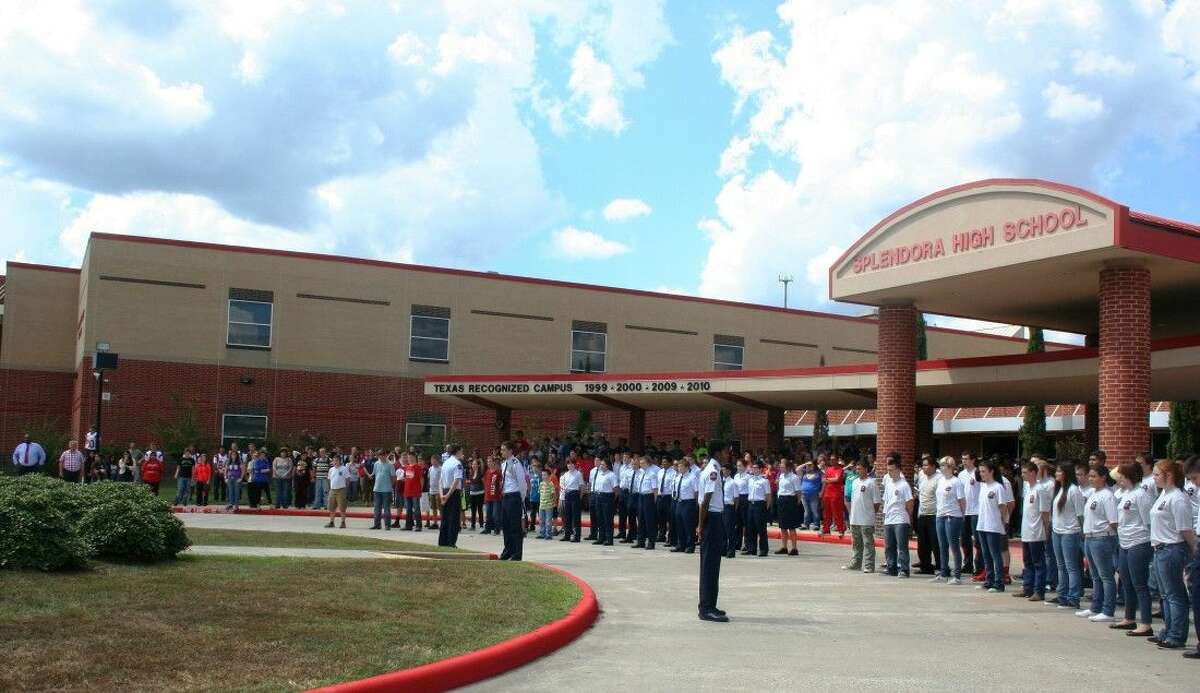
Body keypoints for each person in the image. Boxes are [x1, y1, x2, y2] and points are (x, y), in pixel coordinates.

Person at [1149, 459, 1197, 650]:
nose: (1154, 478)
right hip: (1160, 548)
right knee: (1166, 594)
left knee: (1174, 594)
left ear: (1169, 476)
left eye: (1157, 474)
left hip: (1172, 548)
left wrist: (1193, 549)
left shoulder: (1177, 497)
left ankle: (1176, 635)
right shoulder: (1164, 494)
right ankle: (1168, 631)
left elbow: (1185, 529)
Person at [1110, 462, 1154, 636]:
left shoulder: (1141, 495)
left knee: (1140, 584)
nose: (1118, 481)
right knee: (1126, 581)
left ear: (1129, 477)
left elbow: (1147, 521)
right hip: (1125, 542)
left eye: (1121, 478)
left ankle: (1146, 622)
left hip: (1139, 542)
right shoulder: (1125, 493)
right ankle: (1129, 618)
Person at [1078, 461, 1119, 620]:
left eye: (1094, 476)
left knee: (1106, 576)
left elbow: (1113, 521)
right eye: (1089, 476)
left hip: (1102, 538)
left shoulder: (1108, 496)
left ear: (1103, 477)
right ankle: (1096, 606)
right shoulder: (1093, 494)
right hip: (1090, 537)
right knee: (1095, 576)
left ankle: (1108, 610)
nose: (1090, 479)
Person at [697, 441, 729, 623]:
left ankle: (710, 604)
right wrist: (701, 526)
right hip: (712, 518)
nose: (728, 455)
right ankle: (706, 608)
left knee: (713, 563)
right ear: (718, 452)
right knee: (709, 564)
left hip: (713, 517)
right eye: (725, 451)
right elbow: (706, 501)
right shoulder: (713, 471)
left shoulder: (712, 468)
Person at [1014, 460, 1052, 601]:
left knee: (1038, 563)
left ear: (1033, 473)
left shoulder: (1040, 489)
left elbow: (1044, 512)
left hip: (1036, 531)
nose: (1022, 475)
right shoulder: (1028, 488)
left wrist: (1046, 529)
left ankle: (1039, 591)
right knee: (1028, 562)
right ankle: (1027, 587)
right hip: (1026, 531)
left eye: (1025, 472)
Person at [1050, 463, 1086, 610]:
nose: (1056, 474)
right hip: (1057, 531)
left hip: (1070, 533)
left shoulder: (1073, 491)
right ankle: (1062, 595)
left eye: (1059, 471)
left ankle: (1073, 597)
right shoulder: (1059, 489)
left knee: (1071, 567)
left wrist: (1082, 532)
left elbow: (1080, 514)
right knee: (1061, 566)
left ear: (1066, 473)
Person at [975, 459, 1010, 593]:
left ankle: (999, 582)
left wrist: (1003, 522)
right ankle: (989, 580)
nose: (981, 474)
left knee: (995, 554)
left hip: (993, 525)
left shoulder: (998, 487)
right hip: (982, 524)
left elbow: (1003, 506)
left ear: (991, 472)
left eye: (984, 471)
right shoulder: (983, 486)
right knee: (986, 554)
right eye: (980, 471)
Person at [933, 455, 966, 584]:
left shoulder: (956, 481)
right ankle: (943, 572)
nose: (940, 468)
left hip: (952, 516)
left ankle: (957, 575)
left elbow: (962, 500)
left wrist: (962, 515)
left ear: (950, 467)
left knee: (954, 546)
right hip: (940, 515)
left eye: (942, 465)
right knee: (942, 545)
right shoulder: (941, 480)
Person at [882, 453, 914, 577]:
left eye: (892, 470)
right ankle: (891, 568)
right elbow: (886, 501)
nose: (890, 472)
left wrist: (907, 515)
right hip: (889, 519)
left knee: (902, 546)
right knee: (889, 546)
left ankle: (904, 569)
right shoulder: (889, 483)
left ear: (898, 470)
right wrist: (885, 515)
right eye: (888, 470)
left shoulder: (904, 485)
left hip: (900, 519)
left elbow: (910, 502)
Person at [498, 442, 527, 561]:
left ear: (510, 451)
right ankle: (508, 550)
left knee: (515, 527)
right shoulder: (504, 464)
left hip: (514, 496)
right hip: (506, 496)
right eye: (501, 449)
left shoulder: (516, 463)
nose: (502, 452)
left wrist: (521, 498)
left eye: (504, 449)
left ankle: (517, 553)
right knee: (506, 526)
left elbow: (522, 483)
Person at [915, 455, 940, 575]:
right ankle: (925, 566)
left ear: (933, 466)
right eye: (923, 465)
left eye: (926, 465)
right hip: (923, 513)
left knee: (935, 542)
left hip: (934, 515)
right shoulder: (922, 476)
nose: (923, 468)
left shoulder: (939, 478)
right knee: (923, 543)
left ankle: (940, 566)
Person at [958, 451, 981, 577]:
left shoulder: (978, 473)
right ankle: (967, 564)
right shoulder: (961, 475)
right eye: (962, 459)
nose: (964, 461)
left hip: (976, 511)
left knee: (978, 541)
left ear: (973, 460)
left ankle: (979, 566)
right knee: (964, 540)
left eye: (966, 459)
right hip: (964, 511)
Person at [438, 446, 464, 547]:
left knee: (445, 518)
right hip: (453, 492)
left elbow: (440, 481)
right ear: (457, 451)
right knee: (453, 519)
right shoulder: (457, 464)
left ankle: (442, 542)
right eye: (461, 451)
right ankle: (451, 542)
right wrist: (448, 495)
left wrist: (442, 495)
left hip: (444, 490)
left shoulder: (445, 463)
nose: (462, 453)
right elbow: (456, 480)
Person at [744, 461, 771, 557]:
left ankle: (763, 550)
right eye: (753, 468)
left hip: (760, 505)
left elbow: (768, 496)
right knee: (750, 527)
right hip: (751, 504)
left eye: (756, 468)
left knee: (761, 528)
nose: (754, 470)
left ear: (760, 469)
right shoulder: (750, 480)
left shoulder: (764, 481)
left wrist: (766, 508)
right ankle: (752, 549)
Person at [774, 459, 801, 555]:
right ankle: (784, 547)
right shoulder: (781, 476)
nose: (780, 467)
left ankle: (794, 548)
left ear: (788, 467)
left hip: (790, 500)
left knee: (791, 526)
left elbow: (798, 492)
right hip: (781, 500)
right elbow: (779, 488)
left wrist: (796, 503)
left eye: (782, 466)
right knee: (782, 526)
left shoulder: (794, 477)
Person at [673, 458, 699, 554]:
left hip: (689, 502)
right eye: (678, 466)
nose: (679, 468)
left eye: (681, 466)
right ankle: (681, 544)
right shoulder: (678, 476)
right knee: (679, 524)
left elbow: (696, 492)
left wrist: (695, 505)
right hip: (679, 502)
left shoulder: (692, 477)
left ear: (687, 467)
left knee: (688, 525)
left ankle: (690, 546)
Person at [634, 455, 660, 550]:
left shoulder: (652, 473)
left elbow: (655, 489)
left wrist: (654, 501)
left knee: (649, 521)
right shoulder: (640, 472)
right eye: (640, 463)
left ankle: (651, 542)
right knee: (640, 519)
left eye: (643, 463)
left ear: (648, 463)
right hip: (641, 496)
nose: (641, 465)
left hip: (649, 497)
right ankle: (640, 541)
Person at [367, 453, 396, 530]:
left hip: (387, 490)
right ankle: (377, 524)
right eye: (380, 455)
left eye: (383, 455)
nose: (381, 457)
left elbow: (393, 477)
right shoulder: (376, 463)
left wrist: (390, 486)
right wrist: (370, 475)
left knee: (386, 508)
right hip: (377, 489)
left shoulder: (390, 465)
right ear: (378, 456)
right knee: (377, 508)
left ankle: (387, 525)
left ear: (386, 455)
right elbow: (374, 473)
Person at [592, 458, 617, 546]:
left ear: (607, 465)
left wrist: (612, 499)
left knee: (608, 519)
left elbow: (615, 489)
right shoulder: (599, 474)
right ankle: (601, 538)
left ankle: (609, 539)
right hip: (599, 496)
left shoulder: (611, 475)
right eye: (601, 464)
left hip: (607, 497)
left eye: (603, 464)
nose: (601, 466)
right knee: (600, 518)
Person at [820, 456, 846, 536]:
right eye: (831, 460)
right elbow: (823, 480)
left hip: (836, 494)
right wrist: (822, 492)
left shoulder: (840, 469)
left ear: (837, 460)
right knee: (826, 513)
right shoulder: (828, 469)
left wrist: (828, 479)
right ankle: (826, 529)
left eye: (834, 459)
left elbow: (837, 479)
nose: (832, 461)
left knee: (837, 512)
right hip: (827, 494)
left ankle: (841, 529)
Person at [560, 457, 584, 543]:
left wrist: (580, 497)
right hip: (567, 494)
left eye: (571, 463)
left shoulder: (578, 474)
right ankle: (567, 535)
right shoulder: (565, 474)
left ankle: (576, 536)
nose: (570, 465)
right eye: (568, 464)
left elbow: (581, 486)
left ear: (575, 464)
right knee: (567, 516)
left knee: (576, 517)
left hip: (575, 494)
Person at [401, 453, 423, 531]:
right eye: (408, 457)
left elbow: (421, 479)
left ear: (414, 457)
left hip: (415, 491)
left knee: (416, 509)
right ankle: (408, 525)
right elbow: (407, 478)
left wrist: (421, 490)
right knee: (408, 509)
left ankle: (418, 525)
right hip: (407, 491)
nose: (409, 458)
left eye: (410, 457)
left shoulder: (418, 467)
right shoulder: (406, 467)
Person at [722, 465, 739, 558]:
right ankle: (723, 549)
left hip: (729, 506)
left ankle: (731, 550)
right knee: (723, 530)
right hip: (722, 506)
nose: (723, 472)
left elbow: (736, 498)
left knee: (730, 530)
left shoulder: (733, 483)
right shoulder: (721, 482)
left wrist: (734, 510)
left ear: (729, 471)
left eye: (724, 470)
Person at [800, 461, 822, 530]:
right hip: (803, 495)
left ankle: (816, 524)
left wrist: (821, 492)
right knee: (806, 511)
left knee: (814, 510)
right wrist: (805, 464)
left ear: (814, 466)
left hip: (814, 495)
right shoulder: (804, 473)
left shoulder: (818, 473)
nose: (809, 466)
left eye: (810, 465)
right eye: (808, 465)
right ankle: (806, 524)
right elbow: (797, 469)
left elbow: (824, 482)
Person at [537, 468, 556, 539]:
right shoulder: (541, 484)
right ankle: (542, 533)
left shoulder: (551, 484)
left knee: (548, 520)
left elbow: (553, 494)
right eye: (542, 475)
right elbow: (540, 494)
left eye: (545, 475)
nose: (543, 476)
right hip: (541, 505)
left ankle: (548, 534)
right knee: (541, 520)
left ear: (549, 476)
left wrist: (553, 503)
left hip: (548, 505)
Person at [428, 454, 443, 530]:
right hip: (432, 491)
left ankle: (443, 523)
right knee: (433, 508)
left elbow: (442, 480)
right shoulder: (430, 469)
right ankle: (435, 523)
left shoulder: (441, 469)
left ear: (437, 461)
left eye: (434, 460)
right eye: (431, 460)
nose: (432, 461)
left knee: (440, 508)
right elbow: (429, 478)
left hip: (438, 491)